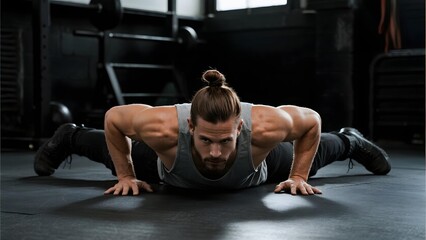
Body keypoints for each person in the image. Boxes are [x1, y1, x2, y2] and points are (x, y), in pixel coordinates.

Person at [34, 69, 391, 196]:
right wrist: (126, 174)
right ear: (190, 126)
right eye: (206, 140)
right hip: (169, 170)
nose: (216, 152)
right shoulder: (162, 128)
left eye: (225, 140)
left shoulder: (266, 127)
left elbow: (311, 121)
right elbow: (114, 118)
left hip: (256, 168)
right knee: (116, 161)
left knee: (313, 162)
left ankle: (351, 140)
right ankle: (70, 135)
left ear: (240, 127)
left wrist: (298, 175)